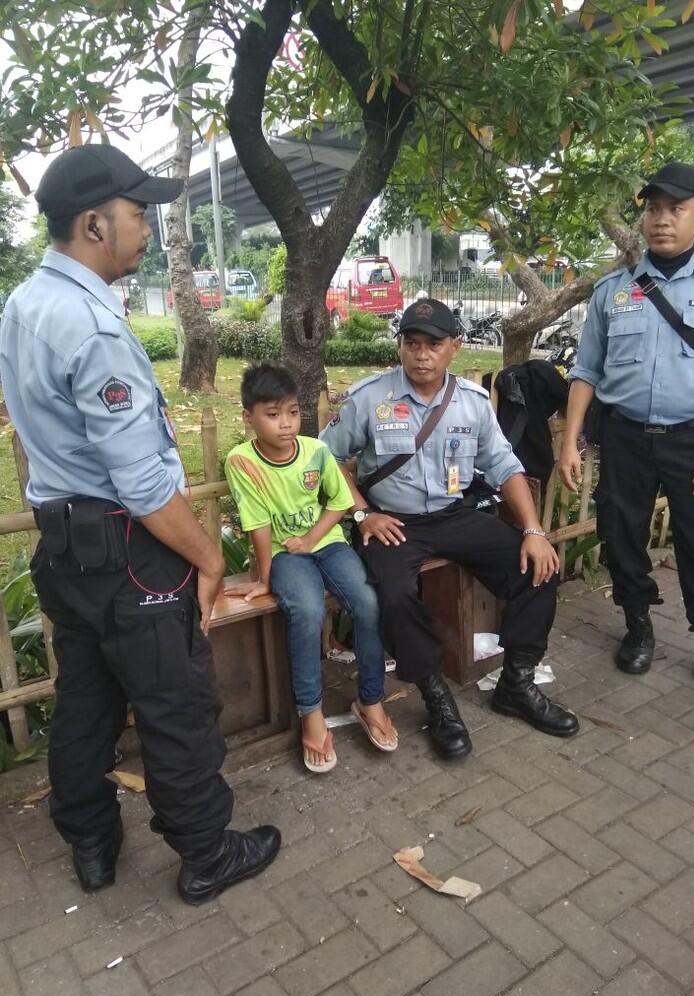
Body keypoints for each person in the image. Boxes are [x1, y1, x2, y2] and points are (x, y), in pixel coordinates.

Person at [0, 144, 280, 905]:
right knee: (175, 702)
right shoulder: (90, 326)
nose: (149, 229)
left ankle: (90, 840)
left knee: (85, 699)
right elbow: (145, 484)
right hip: (129, 548)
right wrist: (208, 560)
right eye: (138, 213)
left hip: (64, 547)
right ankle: (205, 851)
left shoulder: (24, 303)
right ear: (94, 224)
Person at [320, 299, 579, 759]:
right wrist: (362, 514)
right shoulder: (370, 398)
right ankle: (435, 694)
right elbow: (327, 459)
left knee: (537, 568)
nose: (421, 354)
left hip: (454, 515)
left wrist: (535, 532)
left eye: (433, 344)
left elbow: (505, 466)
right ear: (400, 345)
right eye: (411, 343)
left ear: (454, 347)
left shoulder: (472, 403)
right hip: (394, 522)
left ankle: (517, 684)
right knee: (395, 596)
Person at [560, 161, 694, 705]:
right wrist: (569, 439)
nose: (662, 220)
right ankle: (638, 625)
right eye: (653, 208)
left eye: (675, 209)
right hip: (624, 436)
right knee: (621, 533)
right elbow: (586, 371)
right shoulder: (612, 291)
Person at [224, 363, 397, 772]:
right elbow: (257, 523)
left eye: (292, 412)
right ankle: (311, 714)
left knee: (368, 602)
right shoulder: (241, 461)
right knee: (306, 611)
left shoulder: (316, 451)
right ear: (249, 417)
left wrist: (313, 538)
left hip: (327, 543)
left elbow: (340, 503)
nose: (285, 424)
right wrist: (265, 576)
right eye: (272, 414)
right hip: (285, 555)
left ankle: (370, 700)